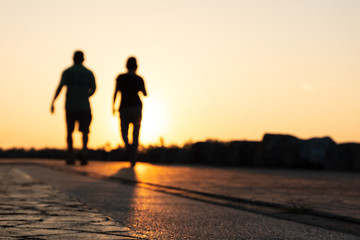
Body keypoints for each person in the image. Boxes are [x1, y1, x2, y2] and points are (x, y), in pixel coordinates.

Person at [50, 50, 96, 165]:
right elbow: (94, 88)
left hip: (70, 106)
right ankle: (84, 152)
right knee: (85, 131)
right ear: (83, 59)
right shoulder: (89, 73)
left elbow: (60, 87)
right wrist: (86, 95)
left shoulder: (67, 72)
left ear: (73, 58)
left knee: (70, 132)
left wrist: (53, 101)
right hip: (84, 106)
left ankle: (70, 155)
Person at [113, 56, 147, 167]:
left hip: (124, 108)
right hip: (136, 107)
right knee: (136, 133)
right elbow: (145, 93)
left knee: (124, 132)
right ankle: (133, 158)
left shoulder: (120, 77)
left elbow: (116, 92)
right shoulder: (139, 79)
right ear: (136, 66)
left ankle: (128, 147)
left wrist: (113, 105)